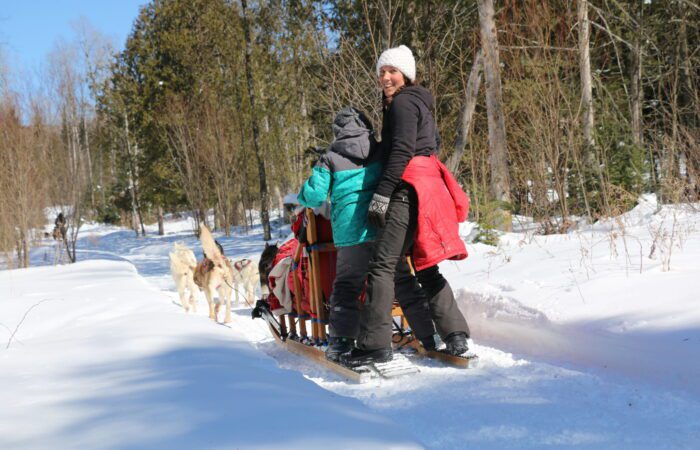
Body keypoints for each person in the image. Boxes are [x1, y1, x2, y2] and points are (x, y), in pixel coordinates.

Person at [341, 45, 472, 367]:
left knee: (383, 265)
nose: (386, 77)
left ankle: (373, 345)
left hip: (408, 186)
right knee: (426, 263)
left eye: (392, 72)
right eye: (382, 72)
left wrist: (383, 192)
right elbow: (430, 144)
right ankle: (454, 335)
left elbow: (401, 150)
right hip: (431, 185)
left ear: (406, 75)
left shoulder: (402, 103)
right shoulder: (419, 103)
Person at [297, 107, 436, 362]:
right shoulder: (381, 149)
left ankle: (340, 343)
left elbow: (315, 196)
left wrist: (302, 195)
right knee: (401, 279)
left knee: (348, 285)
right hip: (384, 224)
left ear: (337, 132)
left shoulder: (330, 158)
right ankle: (429, 335)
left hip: (350, 231)